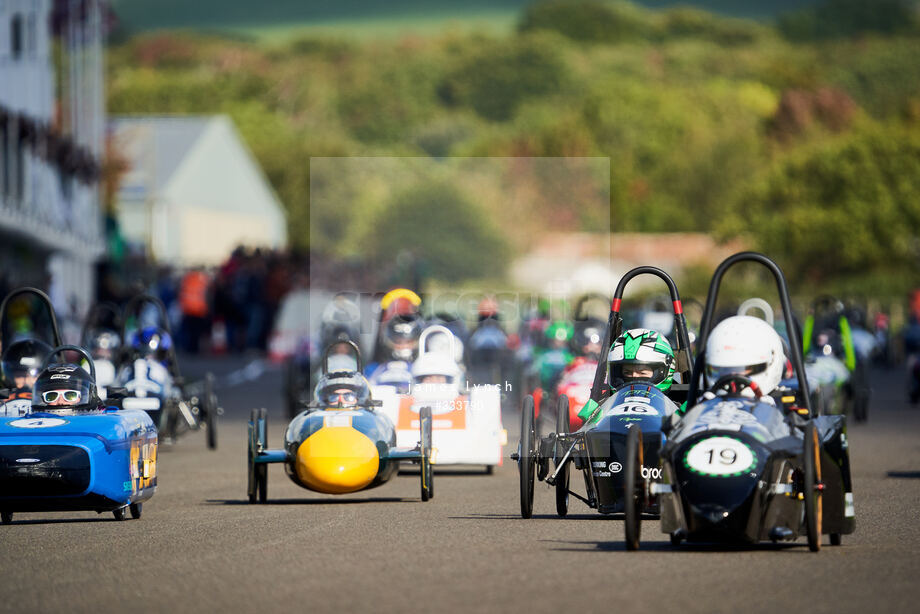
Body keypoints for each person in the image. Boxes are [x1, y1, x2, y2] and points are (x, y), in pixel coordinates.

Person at [576, 328, 675, 424]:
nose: (634, 377)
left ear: (663, 371)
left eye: (642, 373)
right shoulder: (601, 407)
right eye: (627, 373)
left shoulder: (675, 410)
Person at [703, 315, 785, 402]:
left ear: (772, 361)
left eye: (744, 369)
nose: (733, 376)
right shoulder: (701, 406)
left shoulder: (785, 412)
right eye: (724, 369)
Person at [31, 363, 101, 416]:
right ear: (43, 400)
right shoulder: (34, 421)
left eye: (70, 395)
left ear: (82, 397)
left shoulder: (97, 421)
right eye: (51, 396)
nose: (60, 402)